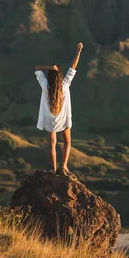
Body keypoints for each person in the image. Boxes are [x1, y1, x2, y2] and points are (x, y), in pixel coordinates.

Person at [35, 43, 83, 174]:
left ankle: (54, 168)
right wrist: (78, 51)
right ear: (60, 76)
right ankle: (65, 166)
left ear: (50, 76)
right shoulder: (65, 84)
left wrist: (50, 68)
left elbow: (37, 68)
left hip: (50, 119)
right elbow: (73, 67)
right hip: (63, 118)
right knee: (67, 141)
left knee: (52, 144)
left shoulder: (45, 85)